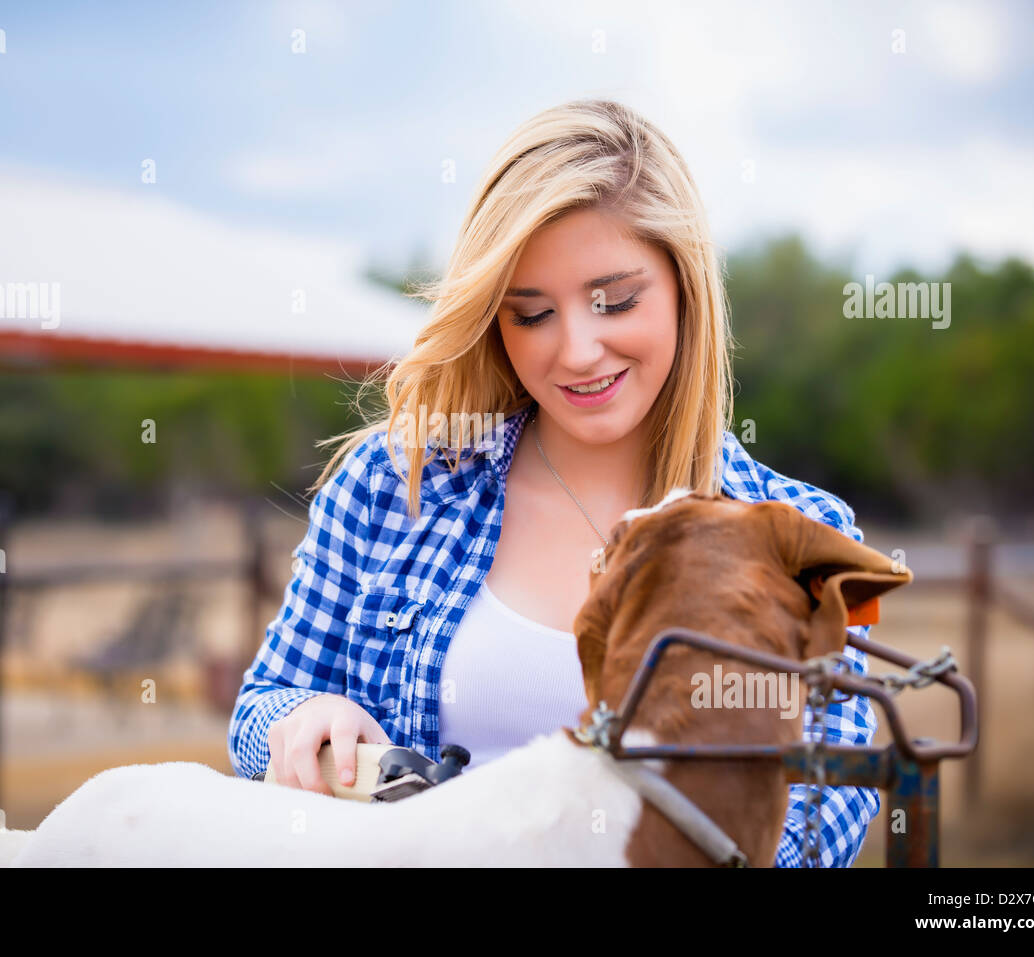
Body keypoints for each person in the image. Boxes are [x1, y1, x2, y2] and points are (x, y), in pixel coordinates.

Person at [229, 98, 881, 866]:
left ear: (684, 284)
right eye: (532, 314)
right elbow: (259, 708)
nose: (576, 350)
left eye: (615, 300)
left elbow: (826, 809)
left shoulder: (802, 537)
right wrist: (301, 715)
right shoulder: (391, 487)